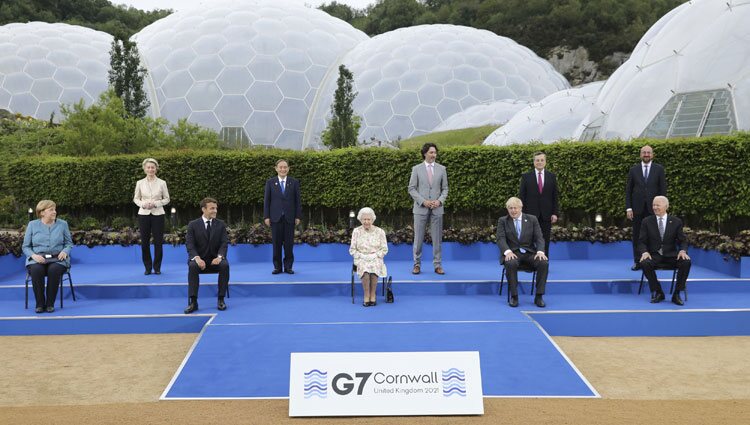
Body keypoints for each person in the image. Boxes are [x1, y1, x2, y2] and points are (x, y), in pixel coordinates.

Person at [496, 197, 548, 308]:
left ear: (521, 208)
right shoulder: (503, 221)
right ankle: (514, 296)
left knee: (543, 263)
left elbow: (539, 238)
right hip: (513, 253)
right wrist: (507, 252)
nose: (513, 211)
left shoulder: (532, 219)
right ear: (507, 209)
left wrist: (540, 251)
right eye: (510, 208)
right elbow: (500, 238)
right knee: (510, 263)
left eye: (515, 208)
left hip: (529, 253)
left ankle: (539, 296)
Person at [637, 196, 690, 305]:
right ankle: (658, 292)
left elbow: (683, 240)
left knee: (686, 262)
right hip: (654, 255)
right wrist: (644, 252)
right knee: (644, 263)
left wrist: (683, 251)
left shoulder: (676, 221)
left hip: (671, 256)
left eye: (658, 205)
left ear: (666, 206)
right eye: (653, 205)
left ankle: (676, 294)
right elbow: (641, 241)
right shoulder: (646, 221)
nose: (655, 207)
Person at [22, 200, 73, 313]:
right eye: (51, 210)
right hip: (37, 258)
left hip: (58, 259)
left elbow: (69, 243)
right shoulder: (32, 225)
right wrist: (34, 256)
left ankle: (50, 304)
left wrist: (65, 251)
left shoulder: (62, 224)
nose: (54, 212)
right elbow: (25, 247)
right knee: (36, 269)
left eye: (55, 209)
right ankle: (40, 304)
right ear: (42, 212)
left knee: (54, 269)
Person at [408, 142, 449, 275]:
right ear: (425, 153)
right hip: (420, 209)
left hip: (437, 209)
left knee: (437, 238)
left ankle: (437, 265)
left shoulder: (442, 169)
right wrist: (423, 201)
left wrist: (439, 201)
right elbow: (411, 189)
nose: (434, 155)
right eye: (431, 152)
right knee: (418, 238)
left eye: (435, 153)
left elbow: (445, 189)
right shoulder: (416, 169)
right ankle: (416, 264)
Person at [184, 198, 229, 314]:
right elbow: (190, 244)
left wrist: (219, 257)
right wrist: (197, 258)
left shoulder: (221, 224)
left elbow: (224, 243)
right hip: (199, 260)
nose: (215, 211)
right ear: (203, 209)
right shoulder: (193, 225)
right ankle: (193, 302)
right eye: (212, 208)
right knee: (193, 266)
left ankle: (221, 299)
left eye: (216, 208)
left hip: (215, 260)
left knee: (224, 265)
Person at [626, 145, 666, 270]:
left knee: (654, 236)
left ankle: (654, 262)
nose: (646, 154)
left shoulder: (659, 169)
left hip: (654, 209)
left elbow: (662, 189)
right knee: (637, 236)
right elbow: (628, 191)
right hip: (637, 209)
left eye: (649, 152)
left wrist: (662, 207)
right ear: (640, 155)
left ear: (652, 155)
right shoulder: (633, 170)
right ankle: (638, 262)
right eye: (644, 152)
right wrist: (629, 208)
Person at [264, 159, 301, 274]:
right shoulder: (270, 182)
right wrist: (266, 216)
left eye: (285, 167)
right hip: (275, 218)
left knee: (289, 244)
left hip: (290, 218)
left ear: (288, 169)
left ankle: (288, 266)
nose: (283, 169)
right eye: (280, 167)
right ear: (276, 168)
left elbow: (297, 201)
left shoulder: (294, 182)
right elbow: (267, 201)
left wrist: (298, 216)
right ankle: (277, 267)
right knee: (276, 244)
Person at [133, 158, 170, 275]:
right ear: (144, 169)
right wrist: (143, 204)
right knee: (145, 242)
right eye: (148, 167)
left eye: (152, 167)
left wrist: (156, 203)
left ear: (156, 169)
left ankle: (157, 267)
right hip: (143, 214)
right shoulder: (139, 183)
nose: (150, 169)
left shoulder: (162, 183)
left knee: (158, 241)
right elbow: (136, 198)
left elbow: (167, 199)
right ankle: (147, 267)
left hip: (158, 214)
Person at [519, 152, 559, 256]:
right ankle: (531, 262)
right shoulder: (526, 177)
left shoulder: (552, 176)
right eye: (537, 160)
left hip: (547, 215)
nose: (540, 162)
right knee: (530, 239)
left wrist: (555, 213)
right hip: (530, 215)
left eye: (542, 160)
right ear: (534, 162)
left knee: (545, 240)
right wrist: (522, 214)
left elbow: (555, 196)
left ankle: (544, 263)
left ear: (545, 162)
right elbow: (522, 197)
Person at [349, 207, 388, 307]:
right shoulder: (356, 231)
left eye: (368, 219)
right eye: (364, 219)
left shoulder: (380, 232)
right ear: (360, 220)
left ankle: (373, 294)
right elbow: (352, 249)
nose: (366, 221)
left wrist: (375, 255)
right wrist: (361, 256)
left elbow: (384, 249)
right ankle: (366, 295)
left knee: (374, 267)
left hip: (376, 257)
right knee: (365, 270)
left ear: (372, 219)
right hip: (361, 258)